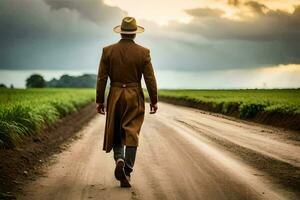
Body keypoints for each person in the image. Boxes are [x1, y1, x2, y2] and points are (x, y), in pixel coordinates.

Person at [96, 17, 158, 187]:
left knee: (116, 131)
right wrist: (154, 100)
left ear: (121, 31)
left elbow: (101, 78)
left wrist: (99, 101)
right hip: (134, 95)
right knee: (131, 132)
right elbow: (150, 78)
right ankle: (128, 171)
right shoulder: (144, 52)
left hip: (115, 94)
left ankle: (119, 159)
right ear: (135, 34)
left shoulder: (107, 51)